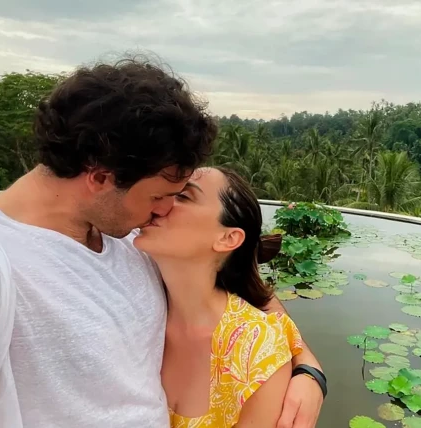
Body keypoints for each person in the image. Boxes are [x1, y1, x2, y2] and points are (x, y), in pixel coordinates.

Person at [0, 57, 325, 428]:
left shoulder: (130, 239)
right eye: (159, 196)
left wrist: (308, 368)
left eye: (180, 197)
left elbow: (253, 299)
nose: (163, 211)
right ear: (101, 177)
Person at [133, 166, 326, 427]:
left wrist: (311, 373)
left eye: (183, 196)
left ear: (228, 238)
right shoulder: (132, 291)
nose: (161, 202)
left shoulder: (256, 352)